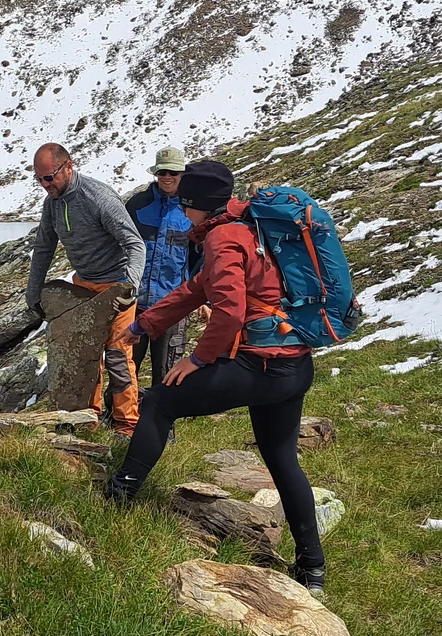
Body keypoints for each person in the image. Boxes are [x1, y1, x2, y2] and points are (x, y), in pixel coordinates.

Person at [105, 158, 326, 594]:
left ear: (198, 204)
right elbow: (196, 289)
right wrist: (142, 326)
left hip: (259, 367)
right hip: (294, 365)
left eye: (186, 202)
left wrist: (198, 360)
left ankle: (119, 496)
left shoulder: (223, 238)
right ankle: (312, 569)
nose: (183, 210)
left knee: (158, 400)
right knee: (282, 458)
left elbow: (228, 310)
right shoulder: (248, 227)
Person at [26, 142, 147, 435]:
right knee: (84, 356)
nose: (45, 185)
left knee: (118, 356)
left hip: (116, 289)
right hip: (83, 287)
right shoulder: (51, 203)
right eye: (39, 179)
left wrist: (128, 286)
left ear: (68, 166)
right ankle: (87, 419)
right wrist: (33, 293)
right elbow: (43, 248)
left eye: (49, 177)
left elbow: (134, 244)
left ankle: (126, 426)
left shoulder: (98, 198)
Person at [124, 146, 193, 386]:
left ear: (182, 175)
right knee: (125, 369)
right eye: (162, 171)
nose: (167, 177)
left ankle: (163, 423)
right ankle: (117, 420)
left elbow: (200, 257)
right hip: (134, 305)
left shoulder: (191, 208)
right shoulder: (137, 205)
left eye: (173, 172)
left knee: (168, 373)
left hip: (172, 306)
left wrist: (204, 300)